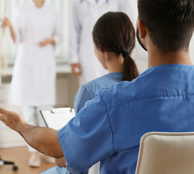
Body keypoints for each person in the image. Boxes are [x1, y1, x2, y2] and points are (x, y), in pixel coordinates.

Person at [0, 0, 194, 173]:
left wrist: (21, 125)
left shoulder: (116, 103)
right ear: (193, 26)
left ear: (141, 29)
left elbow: (58, 148)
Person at [42, 11, 139, 174]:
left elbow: (79, 161)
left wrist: (63, 154)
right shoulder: (144, 84)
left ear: (100, 47)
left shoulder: (91, 91)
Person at [2, 0, 62, 167]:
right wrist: (10, 27)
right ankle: (33, 152)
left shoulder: (52, 11)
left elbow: (59, 35)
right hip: (26, 62)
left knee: (45, 110)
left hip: (44, 63)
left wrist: (51, 40)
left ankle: (46, 149)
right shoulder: (20, 10)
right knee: (29, 110)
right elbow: (16, 38)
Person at [69, 0, 134, 85]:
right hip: (87, 56)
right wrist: (74, 58)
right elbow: (74, 30)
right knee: (89, 93)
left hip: (114, 55)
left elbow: (129, 26)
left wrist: (128, 53)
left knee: (113, 91)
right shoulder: (79, 0)